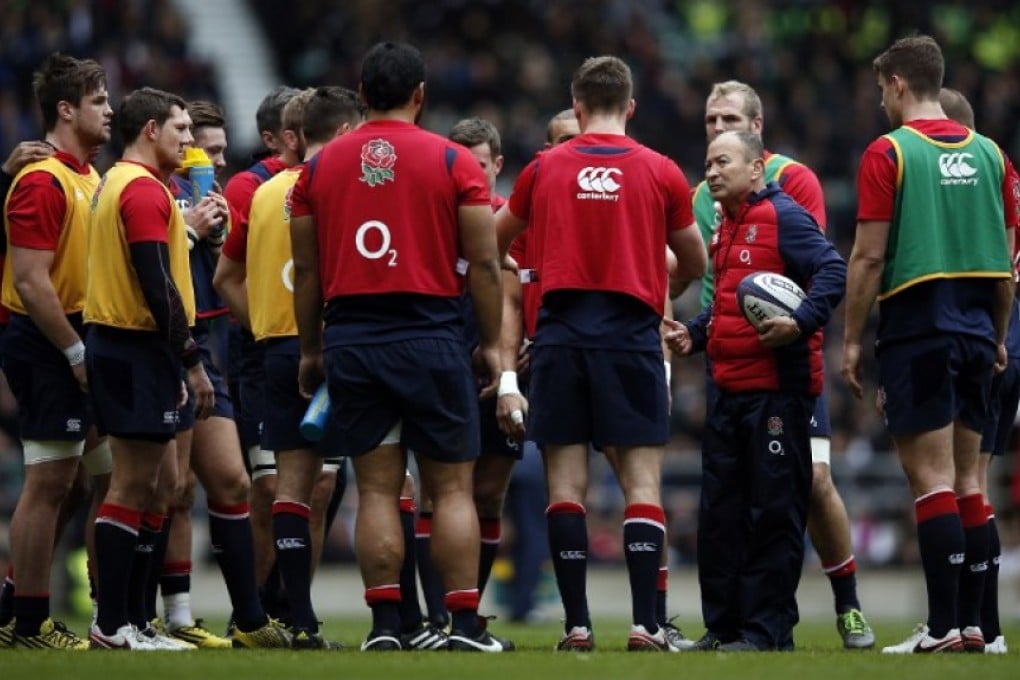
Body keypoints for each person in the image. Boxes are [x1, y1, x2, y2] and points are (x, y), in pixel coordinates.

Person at [290, 41, 510, 652]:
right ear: (420, 95)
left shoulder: (319, 168)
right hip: (432, 338)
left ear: (361, 96)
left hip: (354, 340)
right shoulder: (452, 162)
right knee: (452, 490)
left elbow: (306, 273)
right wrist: (491, 344)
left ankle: (387, 627)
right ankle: (464, 626)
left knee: (379, 489)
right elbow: (487, 265)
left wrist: (312, 350)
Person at [495, 55, 706, 652]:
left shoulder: (544, 168)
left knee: (566, 488)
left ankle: (577, 626)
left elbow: (495, 240)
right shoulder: (661, 171)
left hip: (560, 337)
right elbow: (693, 260)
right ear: (631, 107)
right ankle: (645, 625)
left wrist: (526, 263)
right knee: (642, 484)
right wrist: (666, 279)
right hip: (631, 339)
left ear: (578, 106)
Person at [841, 35, 1017, 654]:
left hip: (918, 327)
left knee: (933, 482)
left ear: (895, 84)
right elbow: (1004, 271)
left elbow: (866, 258)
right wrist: (996, 339)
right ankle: (974, 628)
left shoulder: (889, 152)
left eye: (880, 88)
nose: (880, 101)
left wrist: (852, 339)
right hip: (977, 332)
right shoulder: (993, 156)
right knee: (971, 483)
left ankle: (941, 628)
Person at [689, 80, 874, 650]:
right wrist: (691, 335)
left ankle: (779, 626)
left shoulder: (788, 205)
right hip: (728, 386)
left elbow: (829, 273)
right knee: (719, 514)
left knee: (785, 503)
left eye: (724, 156)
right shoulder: (722, 220)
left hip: (779, 387)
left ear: (756, 163)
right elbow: (724, 302)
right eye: (709, 145)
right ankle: (724, 627)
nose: (713, 165)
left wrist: (802, 322)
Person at [215, 86, 365, 649]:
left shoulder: (264, 193)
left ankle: (294, 618)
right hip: (332, 351)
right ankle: (386, 622)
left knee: (293, 490)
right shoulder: (339, 192)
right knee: (350, 483)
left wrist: (264, 326)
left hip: (277, 353)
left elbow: (225, 278)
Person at [0, 53, 114, 650]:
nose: (110, 109)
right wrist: (73, 351)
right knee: (49, 483)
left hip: (79, 335)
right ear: (66, 110)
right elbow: (30, 281)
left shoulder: (90, 178)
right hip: (47, 339)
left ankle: (112, 616)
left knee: (101, 476)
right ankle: (28, 624)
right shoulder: (42, 179)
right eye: (98, 100)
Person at [940, 87, 1020, 656]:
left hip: (987, 337)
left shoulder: (966, 168)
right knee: (974, 483)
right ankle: (982, 628)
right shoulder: (1002, 167)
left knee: (959, 483)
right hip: (1008, 339)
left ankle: (968, 624)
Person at [155, 100, 234, 649]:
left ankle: (219, 616)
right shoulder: (151, 192)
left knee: (227, 482)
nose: (216, 161)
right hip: (160, 343)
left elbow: (228, 273)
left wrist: (221, 237)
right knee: (160, 487)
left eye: (221, 151)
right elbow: (147, 266)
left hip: (211, 344)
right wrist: (186, 228)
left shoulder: (214, 198)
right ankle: (134, 614)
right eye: (206, 149)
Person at [221, 86, 302, 618]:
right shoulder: (250, 187)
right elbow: (227, 274)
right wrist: (264, 326)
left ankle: (289, 609)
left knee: (317, 487)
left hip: (316, 350)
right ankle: (249, 613)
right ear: (277, 136)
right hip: (264, 353)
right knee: (268, 487)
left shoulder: (326, 178)